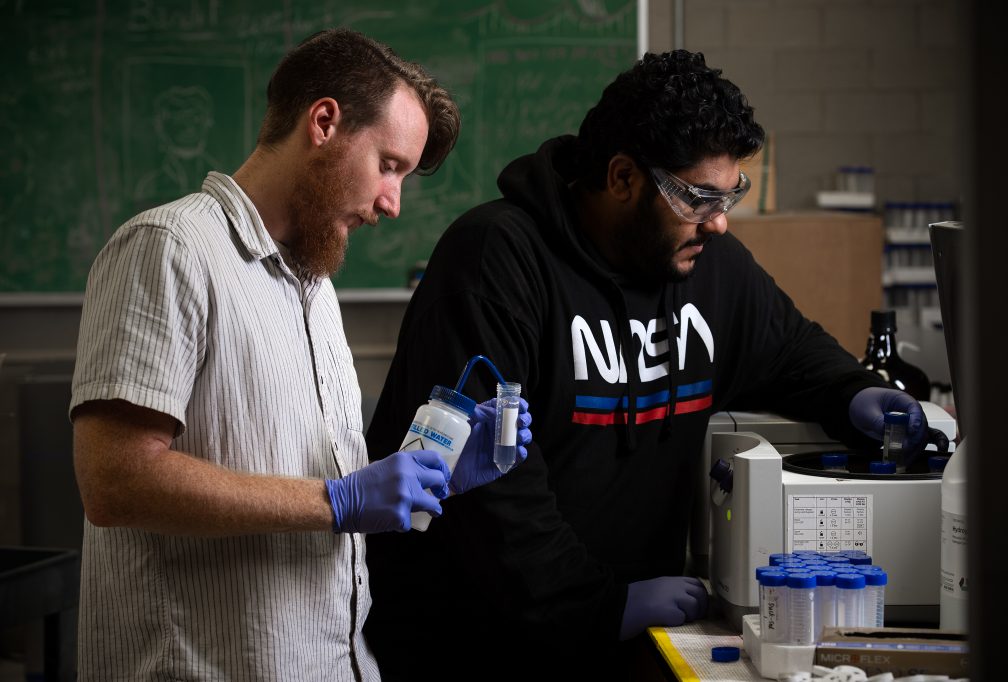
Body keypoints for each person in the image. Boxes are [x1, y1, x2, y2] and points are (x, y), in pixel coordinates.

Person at [362, 49, 940, 679]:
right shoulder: (495, 263)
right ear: (622, 178)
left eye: (729, 196)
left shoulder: (707, 264)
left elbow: (790, 348)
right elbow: (493, 494)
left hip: (621, 641)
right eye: (698, 199)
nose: (718, 222)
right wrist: (602, 604)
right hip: (477, 648)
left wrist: (853, 392)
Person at [68, 28, 531, 681]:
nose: (393, 204)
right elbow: (114, 481)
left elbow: (294, 472)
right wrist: (338, 501)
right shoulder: (171, 249)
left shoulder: (313, 287)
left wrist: (429, 480)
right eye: (389, 166)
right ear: (324, 122)